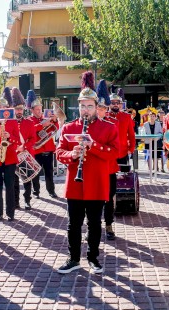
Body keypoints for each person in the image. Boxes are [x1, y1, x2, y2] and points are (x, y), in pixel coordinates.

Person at [55, 71, 119, 274]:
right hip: (75, 183)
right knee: (73, 224)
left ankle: (93, 258)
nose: (85, 109)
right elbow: (59, 152)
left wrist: (95, 146)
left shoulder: (108, 128)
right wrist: (72, 154)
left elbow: (115, 153)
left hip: (97, 183)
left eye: (90, 106)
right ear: (79, 106)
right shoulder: (69, 128)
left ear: (96, 107)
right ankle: (73, 259)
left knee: (94, 224)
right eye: (82, 105)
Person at [0, 88, 21, 221]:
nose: (2, 109)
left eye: (5, 107)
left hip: (9, 157)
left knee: (9, 186)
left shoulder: (13, 121)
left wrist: (10, 137)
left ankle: (10, 213)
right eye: (0, 107)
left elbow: (18, 140)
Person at [96, 79, 119, 240]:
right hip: (94, 169)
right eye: (98, 107)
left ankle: (109, 225)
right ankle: (94, 225)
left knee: (109, 198)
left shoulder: (112, 124)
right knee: (92, 200)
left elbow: (115, 150)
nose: (100, 111)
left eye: (103, 108)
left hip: (109, 167)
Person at [28, 90, 58, 199]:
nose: (39, 111)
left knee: (49, 172)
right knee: (35, 173)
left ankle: (51, 191)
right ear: (32, 110)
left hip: (48, 149)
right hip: (37, 150)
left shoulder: (46, 117)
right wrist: (42, 125)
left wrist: (54, 121)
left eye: (40, 109)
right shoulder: (29, 120)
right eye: (37, 109)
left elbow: (55, 129)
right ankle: (36, 192)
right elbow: (30, 131)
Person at [12, 87, 36, 210]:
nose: (19, 111)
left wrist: (24, 146)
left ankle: (27, 200)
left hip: (26, 154)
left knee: (27, 181)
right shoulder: (8, 123)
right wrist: (15, 147)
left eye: (21, 108)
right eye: (16, 109)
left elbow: (33, 139)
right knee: (14, 181)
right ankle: (16, 202)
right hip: (13, 156)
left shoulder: (29, 122)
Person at [108, 90, 135, 172]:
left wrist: (131, 148)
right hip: (108, 152)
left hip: (122, 151)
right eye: (113, 103)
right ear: (109, 104)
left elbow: (131, 134)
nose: (116, 105)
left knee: (124, 177)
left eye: (118, 103)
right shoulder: (105, 116)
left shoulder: (126, 117)